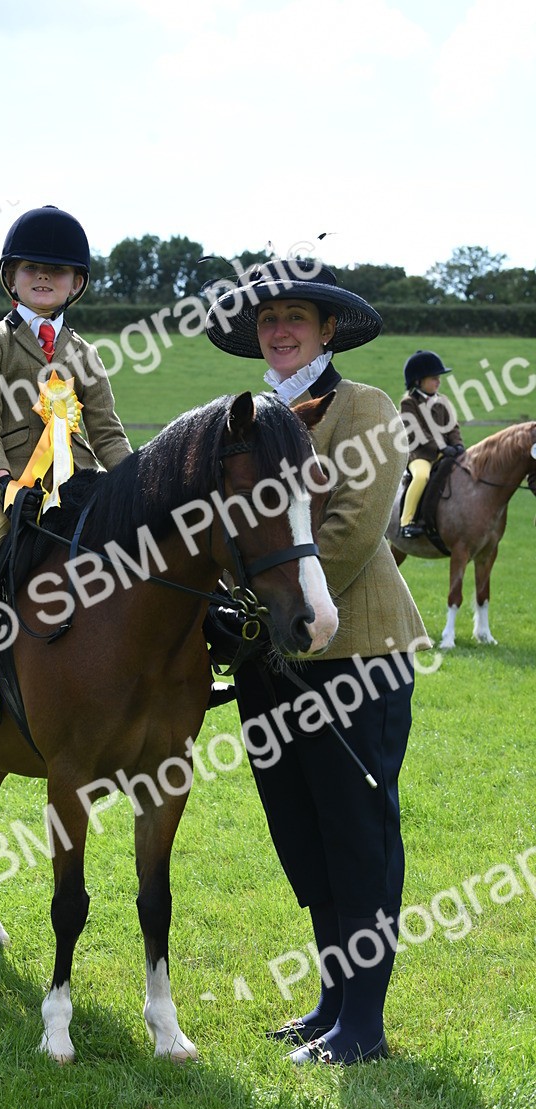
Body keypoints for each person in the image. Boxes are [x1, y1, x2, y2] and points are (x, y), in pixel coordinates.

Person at [205, 257, 429, 1065]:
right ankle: (333, 1001)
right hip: (272, 662)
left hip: (356, 654)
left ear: (327, 329)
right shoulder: (250, 421)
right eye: (268, 322)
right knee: (300, 832)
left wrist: (265, 615)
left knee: (356, 833)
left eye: (295, 318)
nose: (281, 331)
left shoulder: (363, 408)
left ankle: (363, 1025)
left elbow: (352, 532)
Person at [0, 205, 132, 729]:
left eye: (57, 271)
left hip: (78, 482)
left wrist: (138, 485)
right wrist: (1, 482)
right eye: (31, 268)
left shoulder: (86, 354)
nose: (44, 277)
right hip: (11, 485)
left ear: (77, 283)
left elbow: (107, 430)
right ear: (11, 278)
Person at [399, 350, 464, 537]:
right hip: (420, 455)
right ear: (418, 381)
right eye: (434, 378)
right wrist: (442, 447)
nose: (439, 381)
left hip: (446, 452)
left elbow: (453, 427)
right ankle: (406, 523)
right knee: (421, 477)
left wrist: (458, 445)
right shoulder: (408, 403)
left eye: (438, 378)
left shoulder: (443, 401)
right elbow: (418, 432)